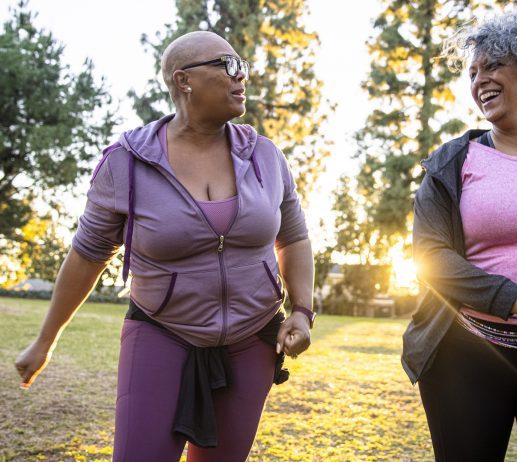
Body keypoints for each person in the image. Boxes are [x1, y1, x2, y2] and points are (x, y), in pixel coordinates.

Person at [15, 31, 315, 462]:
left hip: (252, 338)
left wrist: (302, 310)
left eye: (243, 66)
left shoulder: (266, 156)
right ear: (183, 79)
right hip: (161, 333)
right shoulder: (126, 162)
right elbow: (88, 254)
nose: (242, 76)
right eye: (228, 65)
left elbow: (295, 237)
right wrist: (45, 340)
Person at [402, 9, 517, 461]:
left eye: (493, 65)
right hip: (465, 354)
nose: (479, 80)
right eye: (473, 72)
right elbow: (432, 260)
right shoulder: (452, 163)